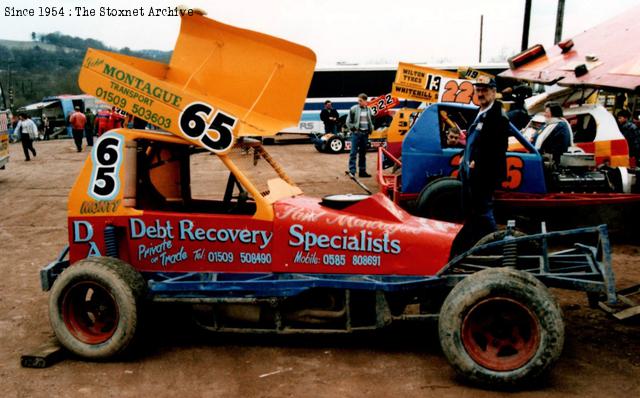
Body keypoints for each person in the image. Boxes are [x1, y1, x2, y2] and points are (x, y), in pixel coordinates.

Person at [450, 76, 510, 258]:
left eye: (485, 89)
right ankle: (476, 246)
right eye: (478, 90)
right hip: (470, 172)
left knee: (483, 210)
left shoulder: (498, 117)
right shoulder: (480, 111)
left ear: (494, 92)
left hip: (484, 174)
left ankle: (496, 249)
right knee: (471, 211)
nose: (481, 93)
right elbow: (473, 141)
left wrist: (479, 162)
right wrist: (464, 157)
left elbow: (498, 149)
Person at [345, 93, 374, 178]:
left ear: (365, 101)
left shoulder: (369, 110)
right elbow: (348, 121)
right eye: (358, 100)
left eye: (361, 101)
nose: (359, 102)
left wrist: (371, 129)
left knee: (363, 153)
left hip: (365, 135)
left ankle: (362, 172)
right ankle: (352, 172)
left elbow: (372, 121)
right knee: (353, 153)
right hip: (356, 134)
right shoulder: (353, 109)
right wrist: (354, 130)